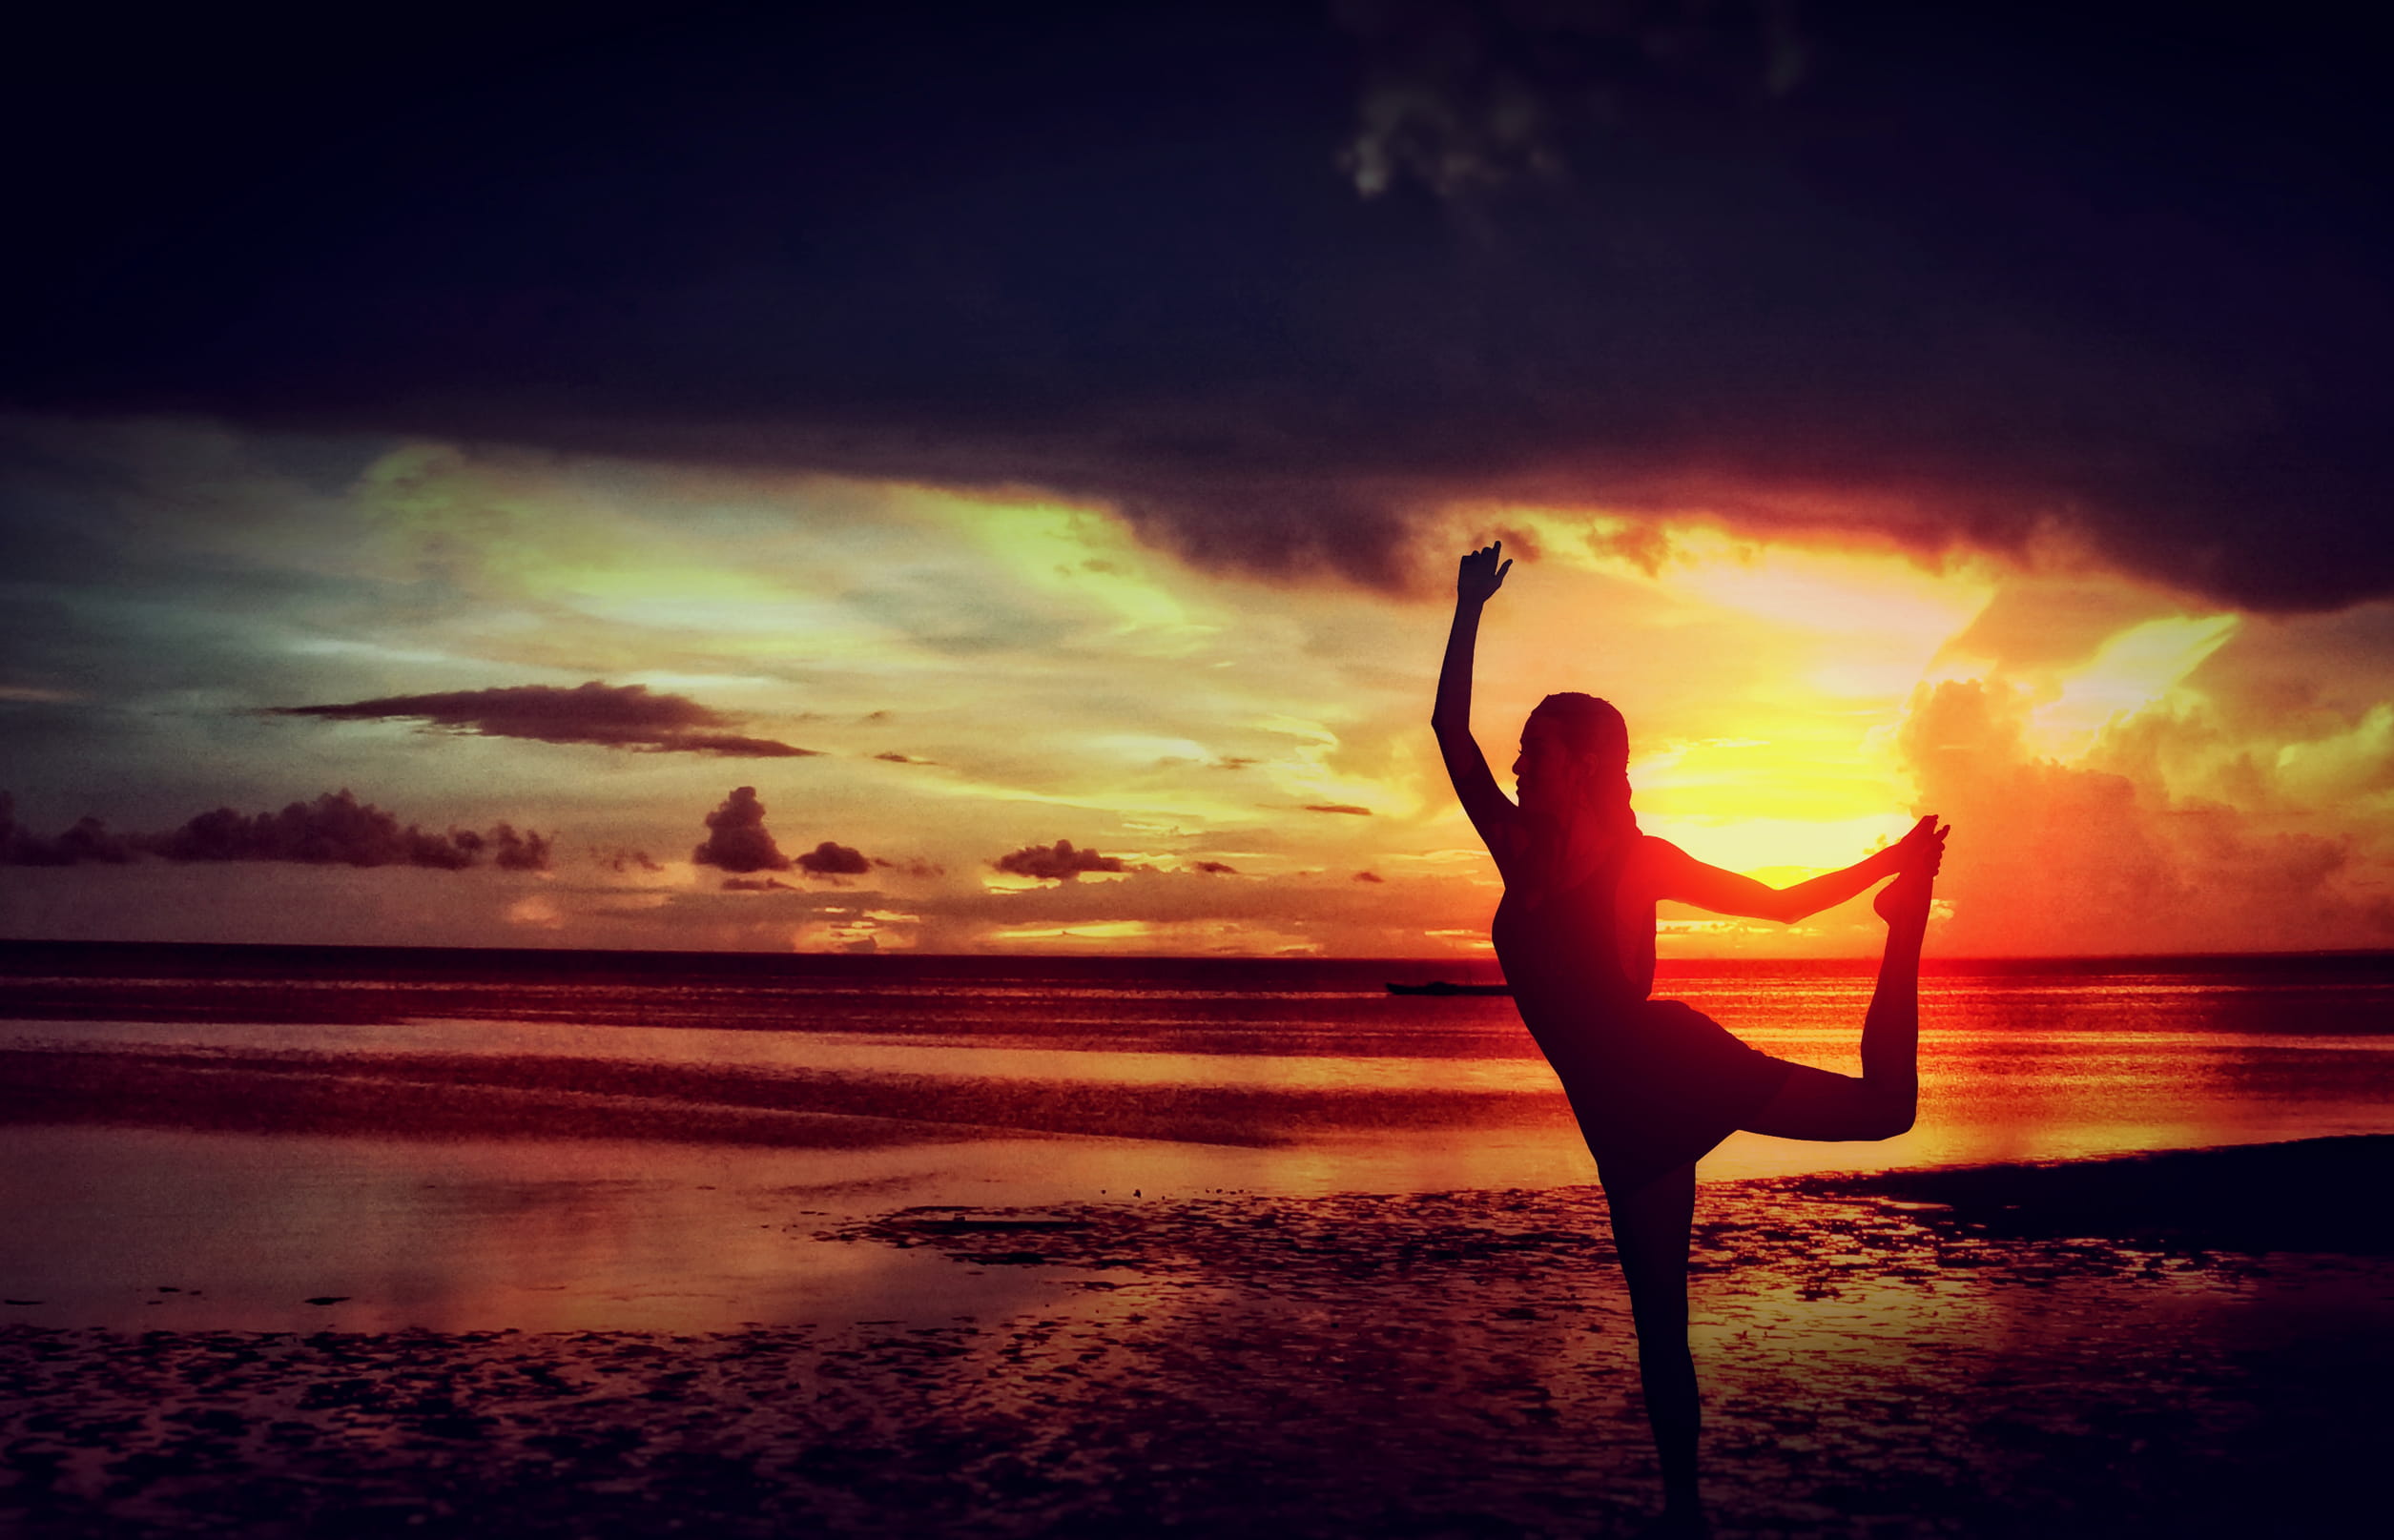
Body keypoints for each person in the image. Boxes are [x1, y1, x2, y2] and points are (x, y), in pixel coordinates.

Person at [1432, 541, 1948, 1535]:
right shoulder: (1516, 845)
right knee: (1657, 1332)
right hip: (1615, 1122)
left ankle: (1905, 925)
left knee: (1888, 1111)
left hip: (1670, 1071)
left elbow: (1784, 906)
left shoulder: (1641, 861)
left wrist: (1887, 858)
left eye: (1532, 750)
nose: (1514, 761)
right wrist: (1467, 608)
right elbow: (1448, 729)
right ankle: (1683, 1515)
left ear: (1581, 765)